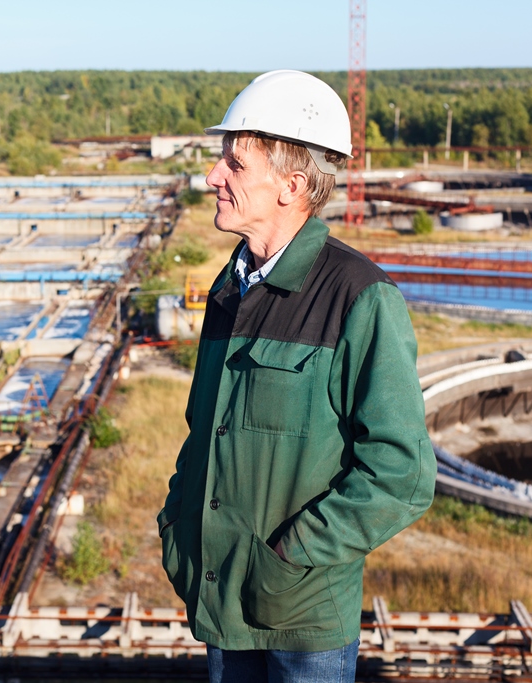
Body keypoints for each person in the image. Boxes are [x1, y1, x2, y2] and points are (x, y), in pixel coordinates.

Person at [158, 70, 436, 683]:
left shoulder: (358, 297)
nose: (213, 178)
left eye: (233, 164)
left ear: (291, 185)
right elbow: (203, 431)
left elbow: (402, 475)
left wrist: (291, 555)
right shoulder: (229, 290)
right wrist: (178, 529)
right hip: (221, 605)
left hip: (303, 624)